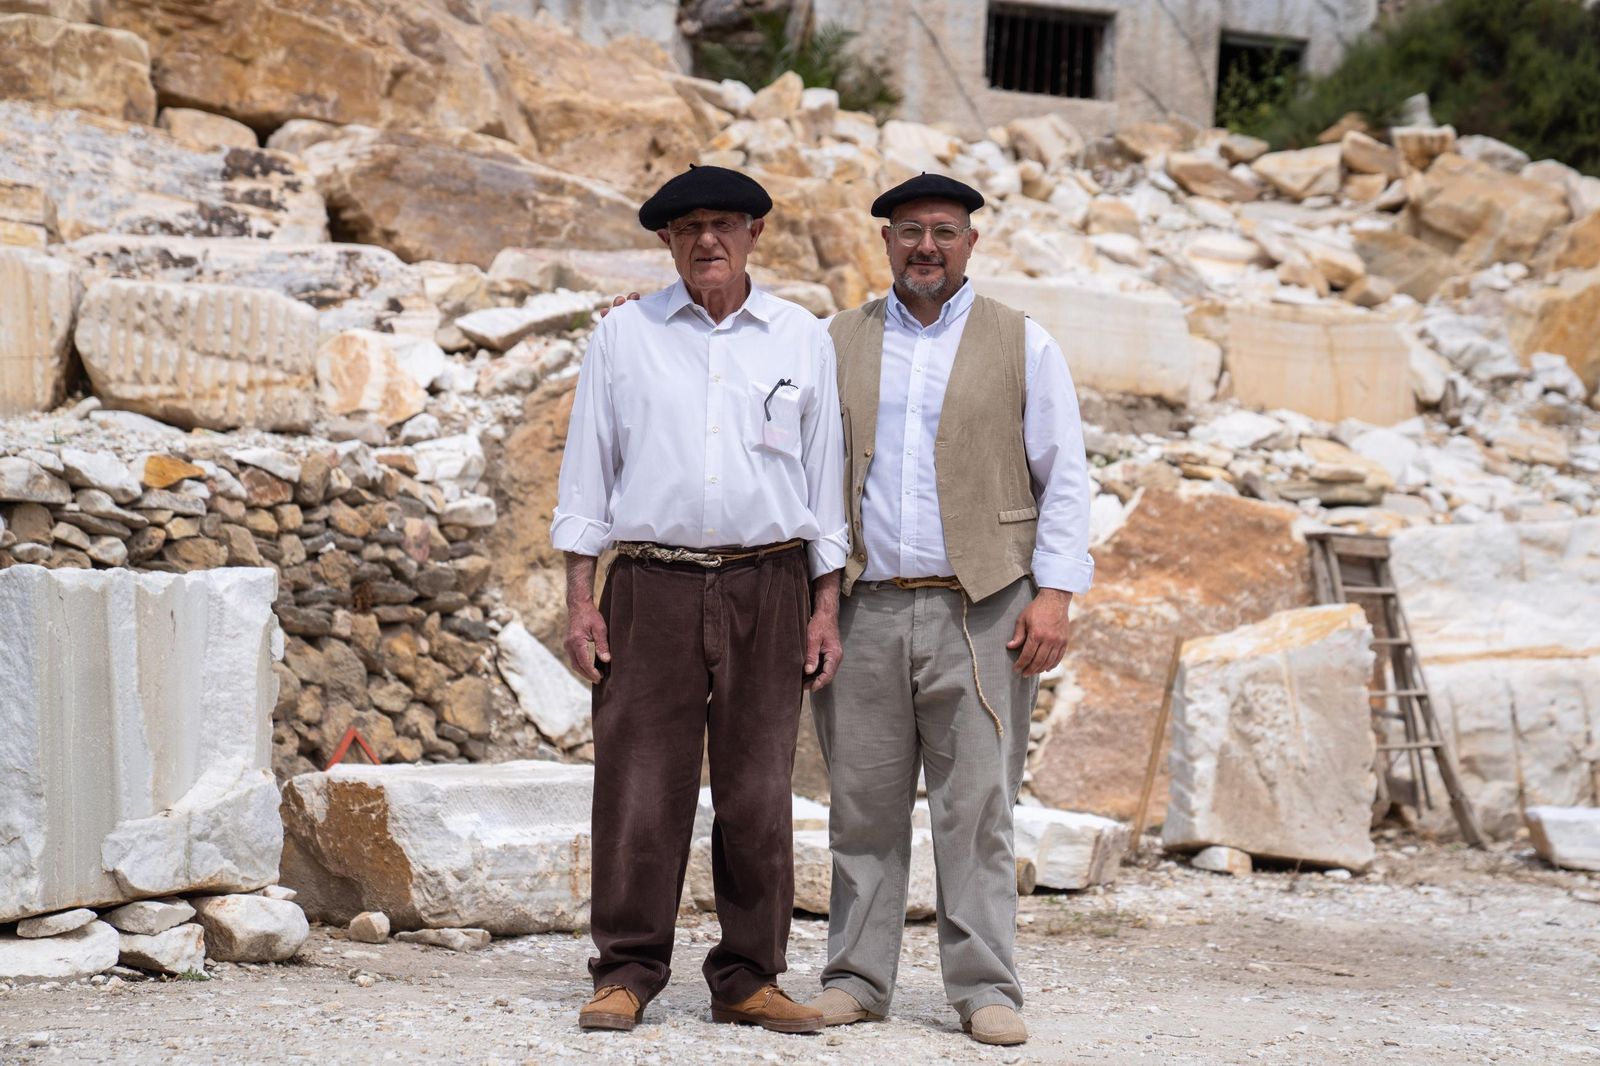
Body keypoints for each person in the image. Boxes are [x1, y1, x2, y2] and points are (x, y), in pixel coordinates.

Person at [552, 164, 847, 1036]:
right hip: (650, 583)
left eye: (724, 223)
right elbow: (585, 473)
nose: (706, 240)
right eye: (687, 228)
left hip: (771, 583)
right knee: (639, 785)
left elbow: (823, 479)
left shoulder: (801, 337)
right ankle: (627, 971)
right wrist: (581, 598)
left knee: (758, 793)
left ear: (757, 233)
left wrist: (824, 606)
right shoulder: (623, 335)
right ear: (666, 242)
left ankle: (748, 977)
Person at [806, 173, 1095, 1047]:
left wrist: (1054, 594)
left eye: (943, 231)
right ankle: (856, 977)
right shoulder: (835, 340)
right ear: (885, 242)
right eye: (908, 231)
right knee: (862, 805)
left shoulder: (1023, 341)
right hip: (864, 606)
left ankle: (984, 988)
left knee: (977, 808)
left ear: (971, 242)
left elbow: (1065, 473)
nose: (925, 246)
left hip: (985, 609)